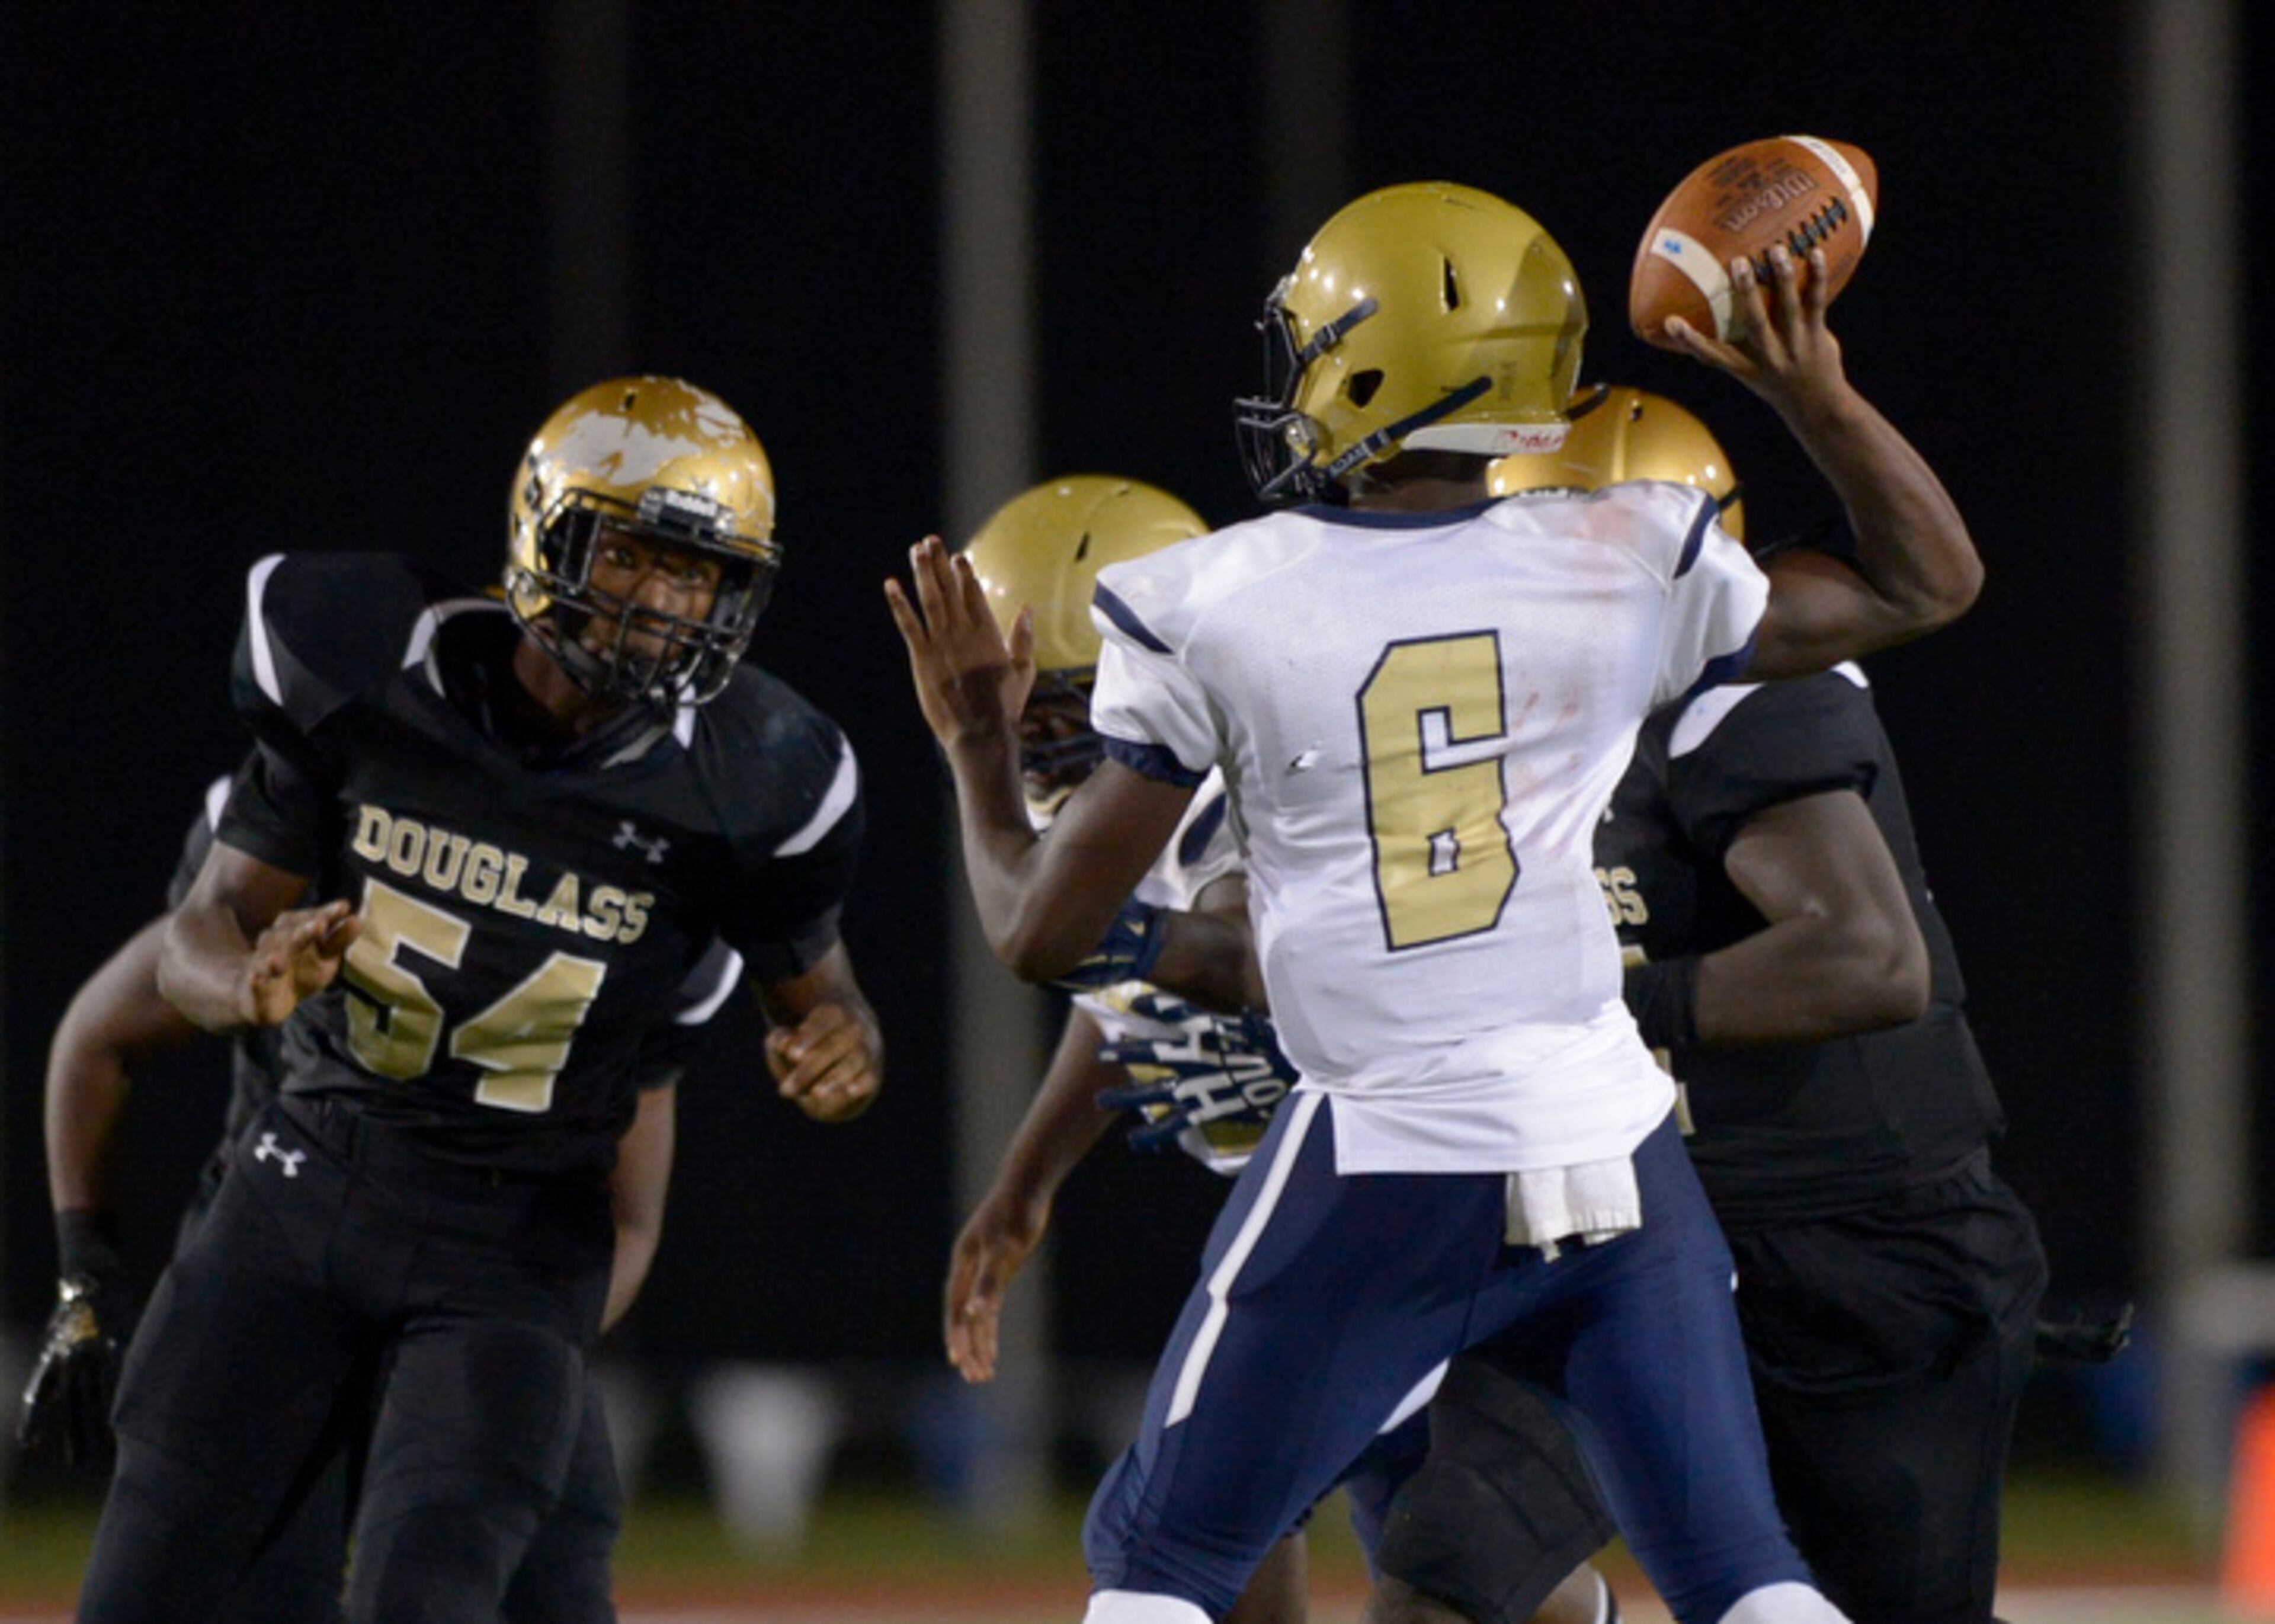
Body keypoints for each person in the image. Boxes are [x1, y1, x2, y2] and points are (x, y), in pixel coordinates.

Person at [887, 180, 1981, 1624]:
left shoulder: (1219, 598)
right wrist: (1811, 389)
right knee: (1743, 1578)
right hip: (1615, 1149)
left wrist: (976, 746)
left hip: (1389, 1150)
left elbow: (1043, 933)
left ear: (1374, 367)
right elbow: (1928, 581)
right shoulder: (1618, 553)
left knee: (1159, 1563)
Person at [74, 374, 884, 1624]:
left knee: (433, 1595)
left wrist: (848, 1052)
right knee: (146, 1592)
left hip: (513, 1249)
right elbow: (202, 929)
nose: (665, 603)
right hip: (307, 1181)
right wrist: (240, 981)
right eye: (634, 555)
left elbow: (826, 1006)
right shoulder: (368, 663)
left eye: (699, 575)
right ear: (545, 533)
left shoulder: (754, 780)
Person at [1373, 387, 2047, 1624]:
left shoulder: (1742, 690)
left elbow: (1865, 957)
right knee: (1448, 1580)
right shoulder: (1492, 711)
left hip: (1850, 1245)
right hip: (1625, 1225)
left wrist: (1595, 999)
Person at [23, 765, 731, 1622]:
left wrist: (522, 1334)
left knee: (540, 1590)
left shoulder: (643, 878)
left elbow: (630, 1216)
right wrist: (86, 1276)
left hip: (490, 1269)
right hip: (284, 1251)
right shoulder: (321, 799)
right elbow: (102, 1033)